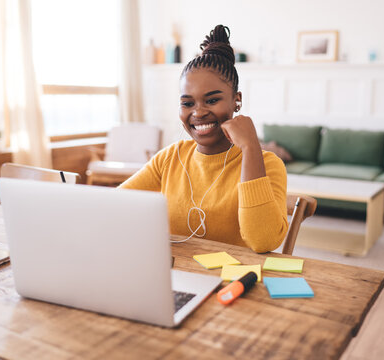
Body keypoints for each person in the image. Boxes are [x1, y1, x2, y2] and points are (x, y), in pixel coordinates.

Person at [119, 25, 288, 253]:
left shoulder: (268, 165)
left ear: (236, 100)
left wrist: (250, 148)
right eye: (188, 103)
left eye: (211, 100)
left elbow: (263, 241)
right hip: (176, 277)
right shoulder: (171, 157)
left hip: (236, 280)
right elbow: (115, 205)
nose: (198, 113)